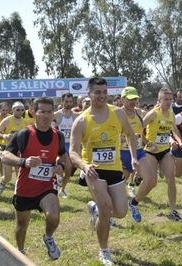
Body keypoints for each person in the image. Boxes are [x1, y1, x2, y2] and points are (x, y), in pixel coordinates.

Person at [69, 77, 138, 265]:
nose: (102, 95)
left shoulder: (118, 114)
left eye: (105, 91)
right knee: (107, 208)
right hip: (93, 171)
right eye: (97, 92)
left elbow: (131, 135)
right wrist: (84, 166)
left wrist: (133, 157)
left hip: (114, 168)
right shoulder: (81, 120)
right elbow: (73, 152)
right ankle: (104, 251)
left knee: (121, 212)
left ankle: (94, 209)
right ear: (89, 94)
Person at [0, 96, 68, 260]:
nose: (46, 115)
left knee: (53, 216)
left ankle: (48, 237)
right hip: (25, 188)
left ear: (53, 114)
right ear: (33, 113)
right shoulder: (24, 134)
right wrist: (23, 161)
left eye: (49, 112)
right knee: (22, 226)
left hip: (46, 187)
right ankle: (20, 251)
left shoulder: (58, 136)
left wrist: (62, 165)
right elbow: (4, 156)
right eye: (42, 112)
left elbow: (64, 156)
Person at [143, 88, 182, 222]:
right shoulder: (153, 114)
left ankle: (172, 211)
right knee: (152, 182)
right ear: (159, 101)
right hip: (151, 151)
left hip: (164, 151)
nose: (168, 102)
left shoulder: (171, 115)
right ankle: (134, 202)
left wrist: (180, 142)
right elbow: (138, 129)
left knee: (171, 179)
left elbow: (175, 132)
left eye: (170, 99)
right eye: (165, 99)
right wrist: (149, 144)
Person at [120, 86, 156, 222]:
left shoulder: (140, 113)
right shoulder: (117, 115)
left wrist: (148, 143)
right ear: (122, 99)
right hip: (122, 153)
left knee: (151, 181)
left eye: (135, 98)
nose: (133, 101)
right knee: (116, 186)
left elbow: (140, 134)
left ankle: (133, 203)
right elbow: (112, 138)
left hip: (139, 152)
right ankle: (109, 214)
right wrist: (128, 138)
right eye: (130, 99)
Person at [0, 102, 28, 195]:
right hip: (7, 150)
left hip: (19, 151)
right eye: (17, 110)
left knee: (20, 176)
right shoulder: (7, 121)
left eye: (22, 110)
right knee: (8, 177)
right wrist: (5, 136)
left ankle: (18, 194)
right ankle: (3, 181)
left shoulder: (25, 122)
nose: (20, 112)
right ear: (13, 110)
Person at [53, 93, 77, 198]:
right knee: (62, 162)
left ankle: (62, 190)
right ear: (62, 102)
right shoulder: (57, 115)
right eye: (66, 101)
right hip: (59, 143)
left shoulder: (76, 115)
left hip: (70, 144)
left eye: (70, 101)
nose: (68, 104)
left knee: (69, 168)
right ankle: (58, 175)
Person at [0, 102, 11, 178]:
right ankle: (2, 177)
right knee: (1, 161)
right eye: (3, 110)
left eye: (7, 110)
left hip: (8, 142)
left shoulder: (10, 117)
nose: (5, 112)